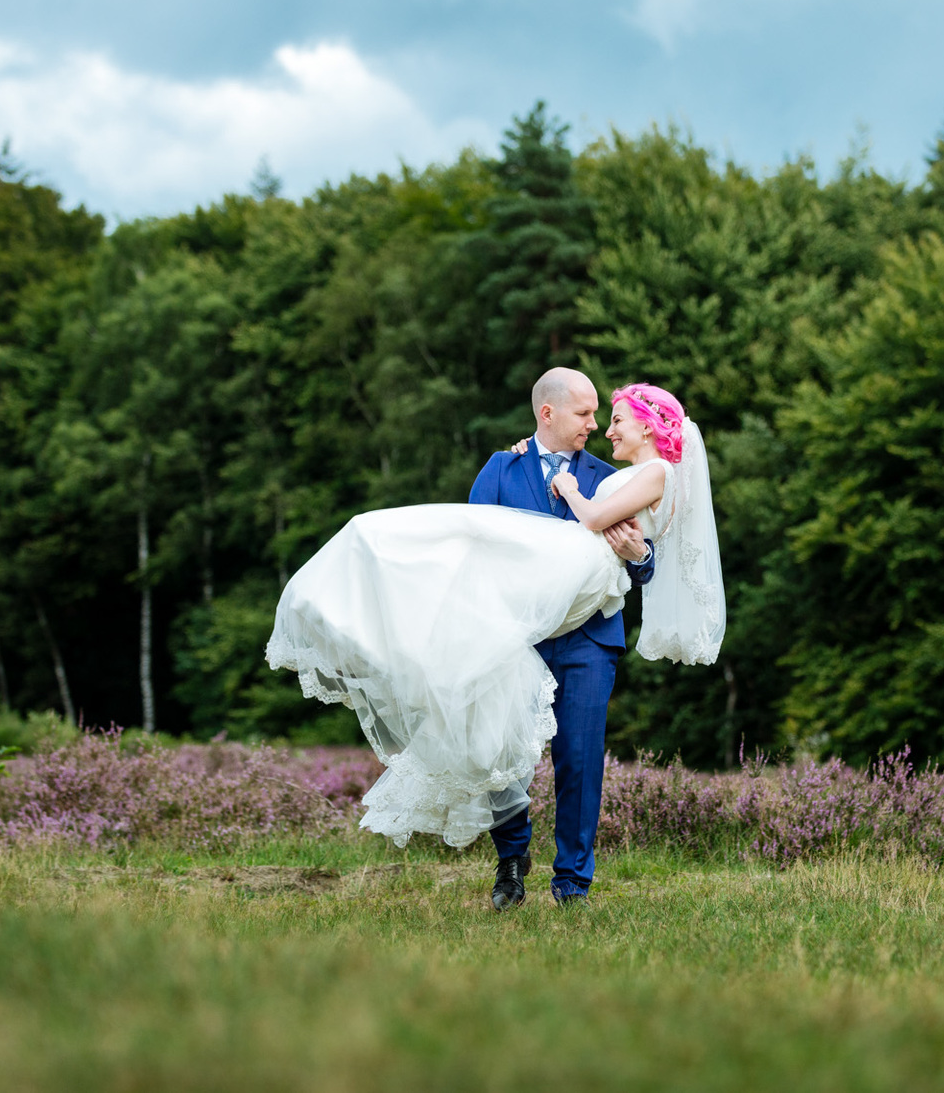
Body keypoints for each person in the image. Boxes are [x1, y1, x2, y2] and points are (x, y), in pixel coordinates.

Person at [266, 367, 725, 910]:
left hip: (587, 637)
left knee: (579, 759)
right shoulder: (500, 469)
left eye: (602, 414)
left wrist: (640, 556)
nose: (596, 425)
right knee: (490, 746)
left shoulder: (611, 472)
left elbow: (644, 558)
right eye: (584, 413)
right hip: (512, 636)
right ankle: (511, 860)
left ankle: (572, 883)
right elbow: (470, 546)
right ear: (546, 414)